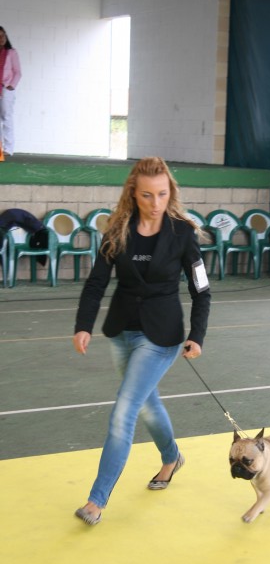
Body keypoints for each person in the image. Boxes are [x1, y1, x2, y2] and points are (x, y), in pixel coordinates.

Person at [73, 157, 211, 525]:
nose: (155, 203)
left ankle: (96, 501)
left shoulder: (183, 233)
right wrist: (83, 325)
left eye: (162, 194)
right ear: (133, 193)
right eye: (147, 195)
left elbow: (201, 290)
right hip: (122, 331)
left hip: (162, 336)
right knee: (147, 403)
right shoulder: (117, 229)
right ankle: (172, 458)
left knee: (125, 410)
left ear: (170, 193)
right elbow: (96, 283)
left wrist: (197, 336)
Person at [0, 26, 22, 157]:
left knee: (6, 117)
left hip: (6, 88)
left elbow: (18, 72)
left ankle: (8, 149)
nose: (2, 38)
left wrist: (11, 86)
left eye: (3, 35)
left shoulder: (12, 53)